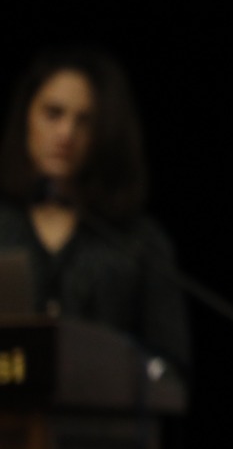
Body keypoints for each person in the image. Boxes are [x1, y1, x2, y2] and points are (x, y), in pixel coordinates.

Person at [0, 45, 191, 376]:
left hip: (105, 407)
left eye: (84, 121)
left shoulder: (138, 241)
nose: (66, 133)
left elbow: (170, 367)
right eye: (53, 113)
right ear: (26, 116)